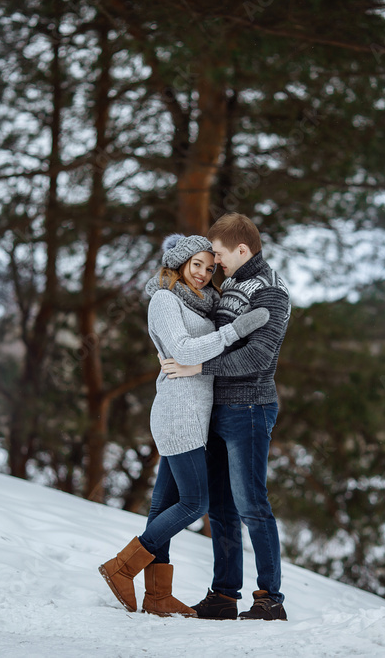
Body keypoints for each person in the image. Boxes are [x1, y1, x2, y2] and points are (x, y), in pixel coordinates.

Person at [99, 233, 270, 617]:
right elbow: (184, 350)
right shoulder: (163, 299)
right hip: (178, 413)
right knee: (196, 503)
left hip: (196, 414)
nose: (203, 274)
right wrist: (234, 330)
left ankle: (158, 596)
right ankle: (121, 567)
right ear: (179, 262)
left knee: (162, 506)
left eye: (210, 269)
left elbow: (199, 351)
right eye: (196, 265)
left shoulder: (203, 306)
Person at [161, 213, 291, 621]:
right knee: (220, 509)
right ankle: (223, 596)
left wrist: (195, 369)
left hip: (249, 408)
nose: (214, 263)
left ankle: (270, 598)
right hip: (216, 407)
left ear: (242, 249)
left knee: (251, 504)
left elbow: (258, 355)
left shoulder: (270, 291)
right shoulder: (231, 283)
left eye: (218, 254)